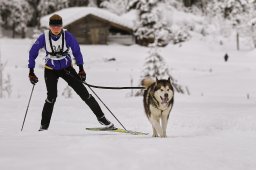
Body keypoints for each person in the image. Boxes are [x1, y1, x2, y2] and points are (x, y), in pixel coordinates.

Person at [28, 14, 114, 131]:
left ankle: (102, 118)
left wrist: (81, 69)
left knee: (84, 93)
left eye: (58, 26)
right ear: (49, 26)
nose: (56, 29)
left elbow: (77, 52)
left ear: (61, 26)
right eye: (53, 26)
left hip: (66, 69)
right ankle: (43, 126)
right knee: (51, 97)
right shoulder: (44, 37)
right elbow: (32, 53)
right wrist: (31, 71)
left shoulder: (67, 36)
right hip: (50, 70)